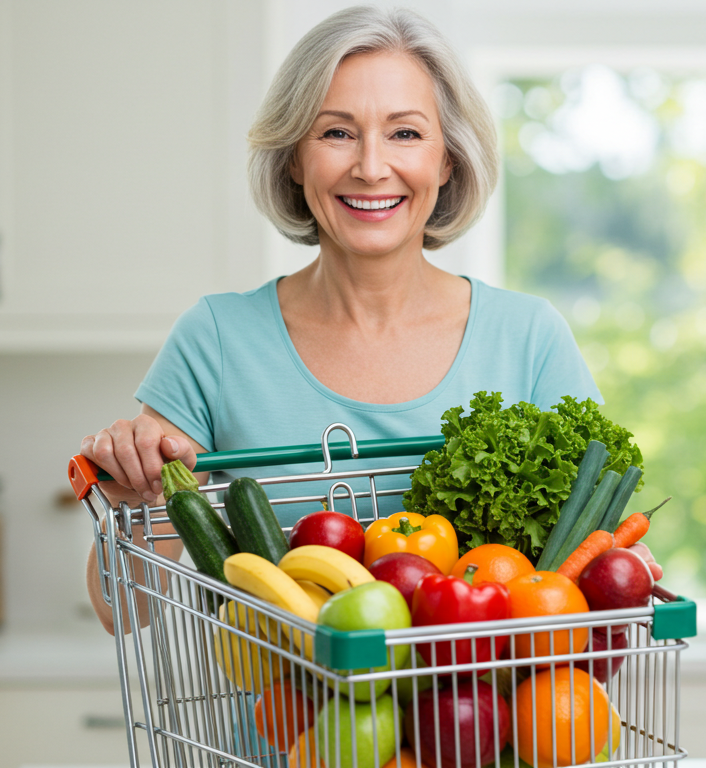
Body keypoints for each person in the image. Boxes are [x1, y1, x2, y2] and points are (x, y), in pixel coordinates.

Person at [82, 6, 655, 636]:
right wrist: (131, 499)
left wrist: (625, 566)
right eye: (336, 133)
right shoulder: (217, 339)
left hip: (480, 731)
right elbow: (123, 609)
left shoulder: (529, 339)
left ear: (447, 161)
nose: (371, 167)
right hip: (284, 729)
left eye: (405, 134)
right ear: (294, 160)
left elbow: (599, 567)